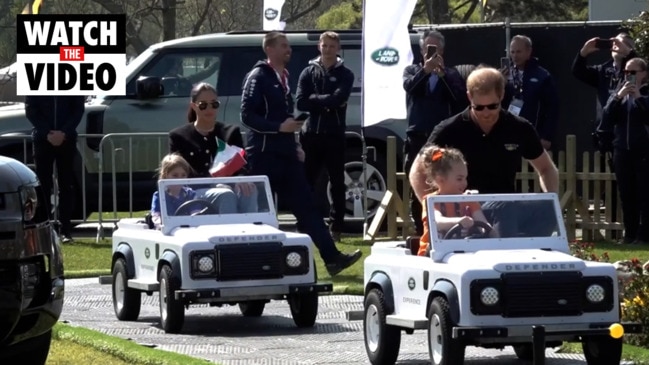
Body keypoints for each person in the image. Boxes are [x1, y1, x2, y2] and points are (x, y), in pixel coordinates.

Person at [241, 31, 361, 277]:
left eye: (288, 45)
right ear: (270, 49)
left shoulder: (283, 76)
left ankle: (332, 258)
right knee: (259, 213)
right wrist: (277, 128)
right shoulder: (258, 76)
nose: (289, 50)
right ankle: (252, 263)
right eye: (284, 45)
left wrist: (293, 143)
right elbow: (247, 116)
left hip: (286, 154)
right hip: (263, 155)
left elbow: (295, 111)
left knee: (308, 207)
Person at [409, 66, 559, 236]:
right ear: (469, 97)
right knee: (504, 209)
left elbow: (546, 168)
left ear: (502, 95)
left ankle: (535, 253)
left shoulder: (519, 128)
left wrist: (550, 198)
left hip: (506, 207)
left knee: (547, 208)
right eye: (478, 107)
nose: (486, 113)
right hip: (466, 211)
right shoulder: (449, 129)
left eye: (492, 106)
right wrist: (434, 207)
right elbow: (417, 171)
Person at [402, 29, 468, 235]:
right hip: (417, 135)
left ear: (443, 51)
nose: (432, 54)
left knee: (444, 180)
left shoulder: (451, 74)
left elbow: (459, 98)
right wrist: (426, 71)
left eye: (436, 49)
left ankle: (447, 227)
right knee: (419, 182)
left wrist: (441, 75)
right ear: (422, 51)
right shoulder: (412, 70)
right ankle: (421, 229)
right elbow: (410, 88)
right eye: (428, 49)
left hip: (441, 138)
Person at [295, 31, 355, 242]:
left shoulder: (346, 74)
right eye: (325, 45)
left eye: (332, 46)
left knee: (337, 183)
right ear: (319, 46)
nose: (328, 49)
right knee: (306, 181)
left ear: (338, 48)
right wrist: (326, 102)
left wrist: (317, 101)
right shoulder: (308, 72)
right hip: (311, 135)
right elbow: (301, 102)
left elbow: (338, 98)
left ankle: (336, 227)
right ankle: (305, 224)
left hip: (334, 135)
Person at [169, 82, 257, 213]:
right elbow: (175, 170)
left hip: (229, 185)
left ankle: (250, 230)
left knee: (249, 190)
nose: (209, 109)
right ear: (193, 106)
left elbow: (242, 164)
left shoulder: (230, 132)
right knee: (225, 195)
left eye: (214, 104)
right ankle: (227, 233)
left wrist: (242, 179)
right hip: (194, 191)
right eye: (203, 105)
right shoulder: (179, 136)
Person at [600, 57, 649, 245]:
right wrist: (619, 96)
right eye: (626, 72)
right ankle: (630, 233)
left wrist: (638, 98)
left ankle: (644, 235)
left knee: (644, 193)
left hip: (643, 149)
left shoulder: (645, 93)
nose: (628, 76)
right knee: (626, 193)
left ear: (644, 74)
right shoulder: (618, 93)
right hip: (622, 149)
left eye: (633, 72)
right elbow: (606, 117)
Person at [25, 95, 85, 243]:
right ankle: (44, 228)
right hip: (42, 140)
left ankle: (65, 230)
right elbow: (31, 109)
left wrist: (64, 132)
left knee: (66, 185)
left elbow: (78, 109)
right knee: (43, 185)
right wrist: (47, 133)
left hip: (67, 140)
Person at [417, 145, 495, 256]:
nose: (465, 183)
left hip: (464, 249)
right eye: (459, 179)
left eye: (465, 178)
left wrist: (490, 232)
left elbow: (482, 222)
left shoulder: (468, 200)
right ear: (441, 179)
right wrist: (459, 221)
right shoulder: (431, 201)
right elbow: (437, 222)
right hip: (434, 253)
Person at [502, 35, 559, 151]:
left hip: (534, 132)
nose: (515, 56)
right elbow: (495, 102)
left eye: (518, 51)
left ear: (529, 52)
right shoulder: (504, 75)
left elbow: (552, 108)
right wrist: (499, 84)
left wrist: (546, 136)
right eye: (512, 52)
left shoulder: (542, 76)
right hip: (509, 134)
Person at [150, 153, 198, 228]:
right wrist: (160, 226)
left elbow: (196, 214)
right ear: (165, 175)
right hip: (168, 232)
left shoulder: (190, 194)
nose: (179, 179)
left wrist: (194, 224)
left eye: (183, 175)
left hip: (189, 231)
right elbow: (156, 216)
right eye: (175, 175)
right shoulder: (159, 196)